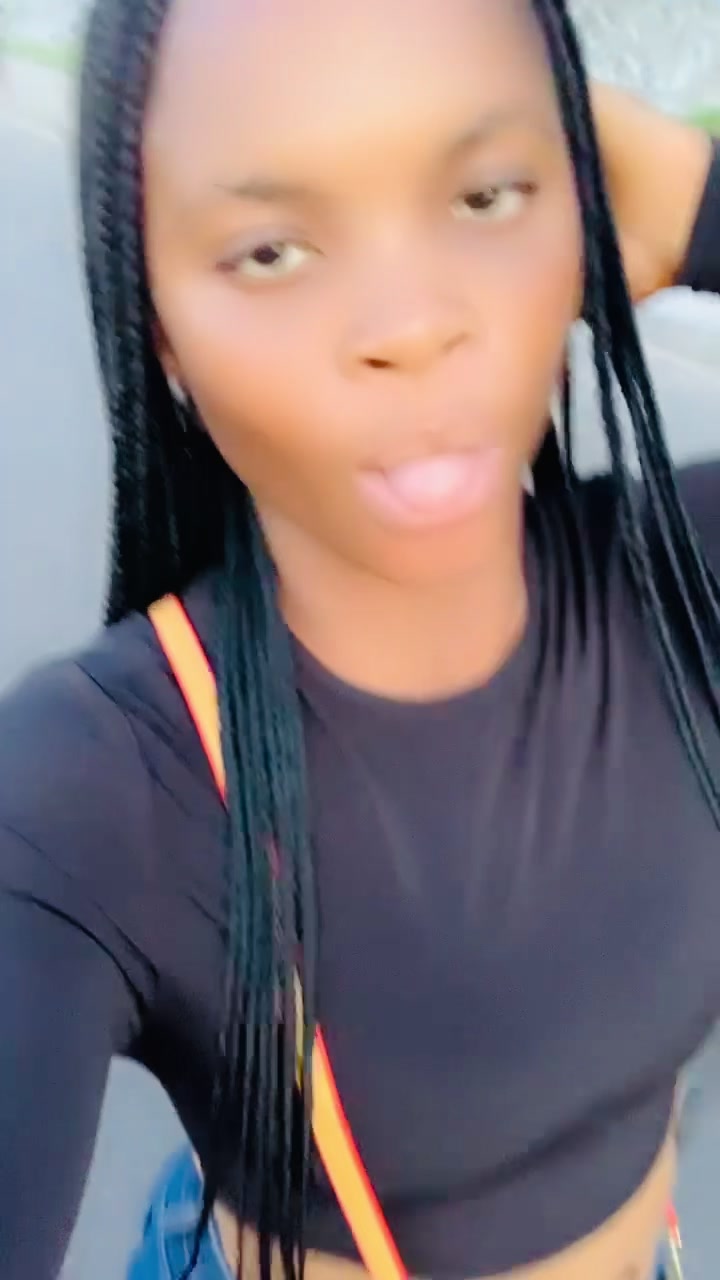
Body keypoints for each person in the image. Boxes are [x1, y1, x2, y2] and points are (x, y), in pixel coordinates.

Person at [1, 0, 719, 1276]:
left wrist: (700, 200)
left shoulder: (690, 576)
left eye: (486, 195)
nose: (410, 323)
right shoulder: (95, 787)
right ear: (162, 322)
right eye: (271, 250)